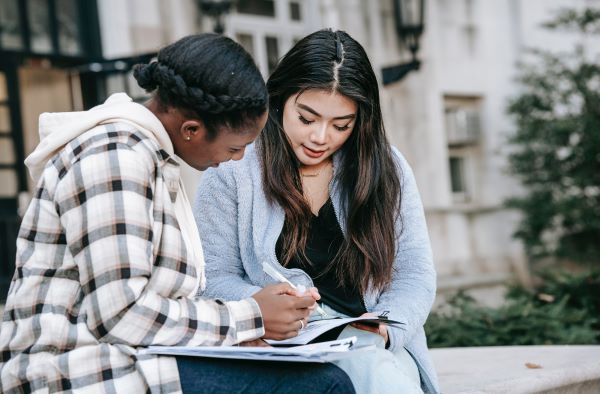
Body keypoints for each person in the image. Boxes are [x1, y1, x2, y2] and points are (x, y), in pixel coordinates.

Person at [0, 34, 355, 393]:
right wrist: (252, 317)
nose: (239, 158)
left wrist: (231, 339)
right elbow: (121, 315)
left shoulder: (148, 156)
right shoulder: (115, 158)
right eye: (236, 146)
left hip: (131, 361)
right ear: (191, 130)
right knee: (324, 386)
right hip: (71, 374)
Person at [194, 29, 440, 394]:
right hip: (282, 350)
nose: (321, 137)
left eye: (342, 125)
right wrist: (263, 306)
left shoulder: (386, 167)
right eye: (306, 119)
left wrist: (387, 326)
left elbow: (414, 272)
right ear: (279, 100)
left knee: (373, 368)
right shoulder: (233, 170)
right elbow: (211, 278)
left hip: (375, 343)